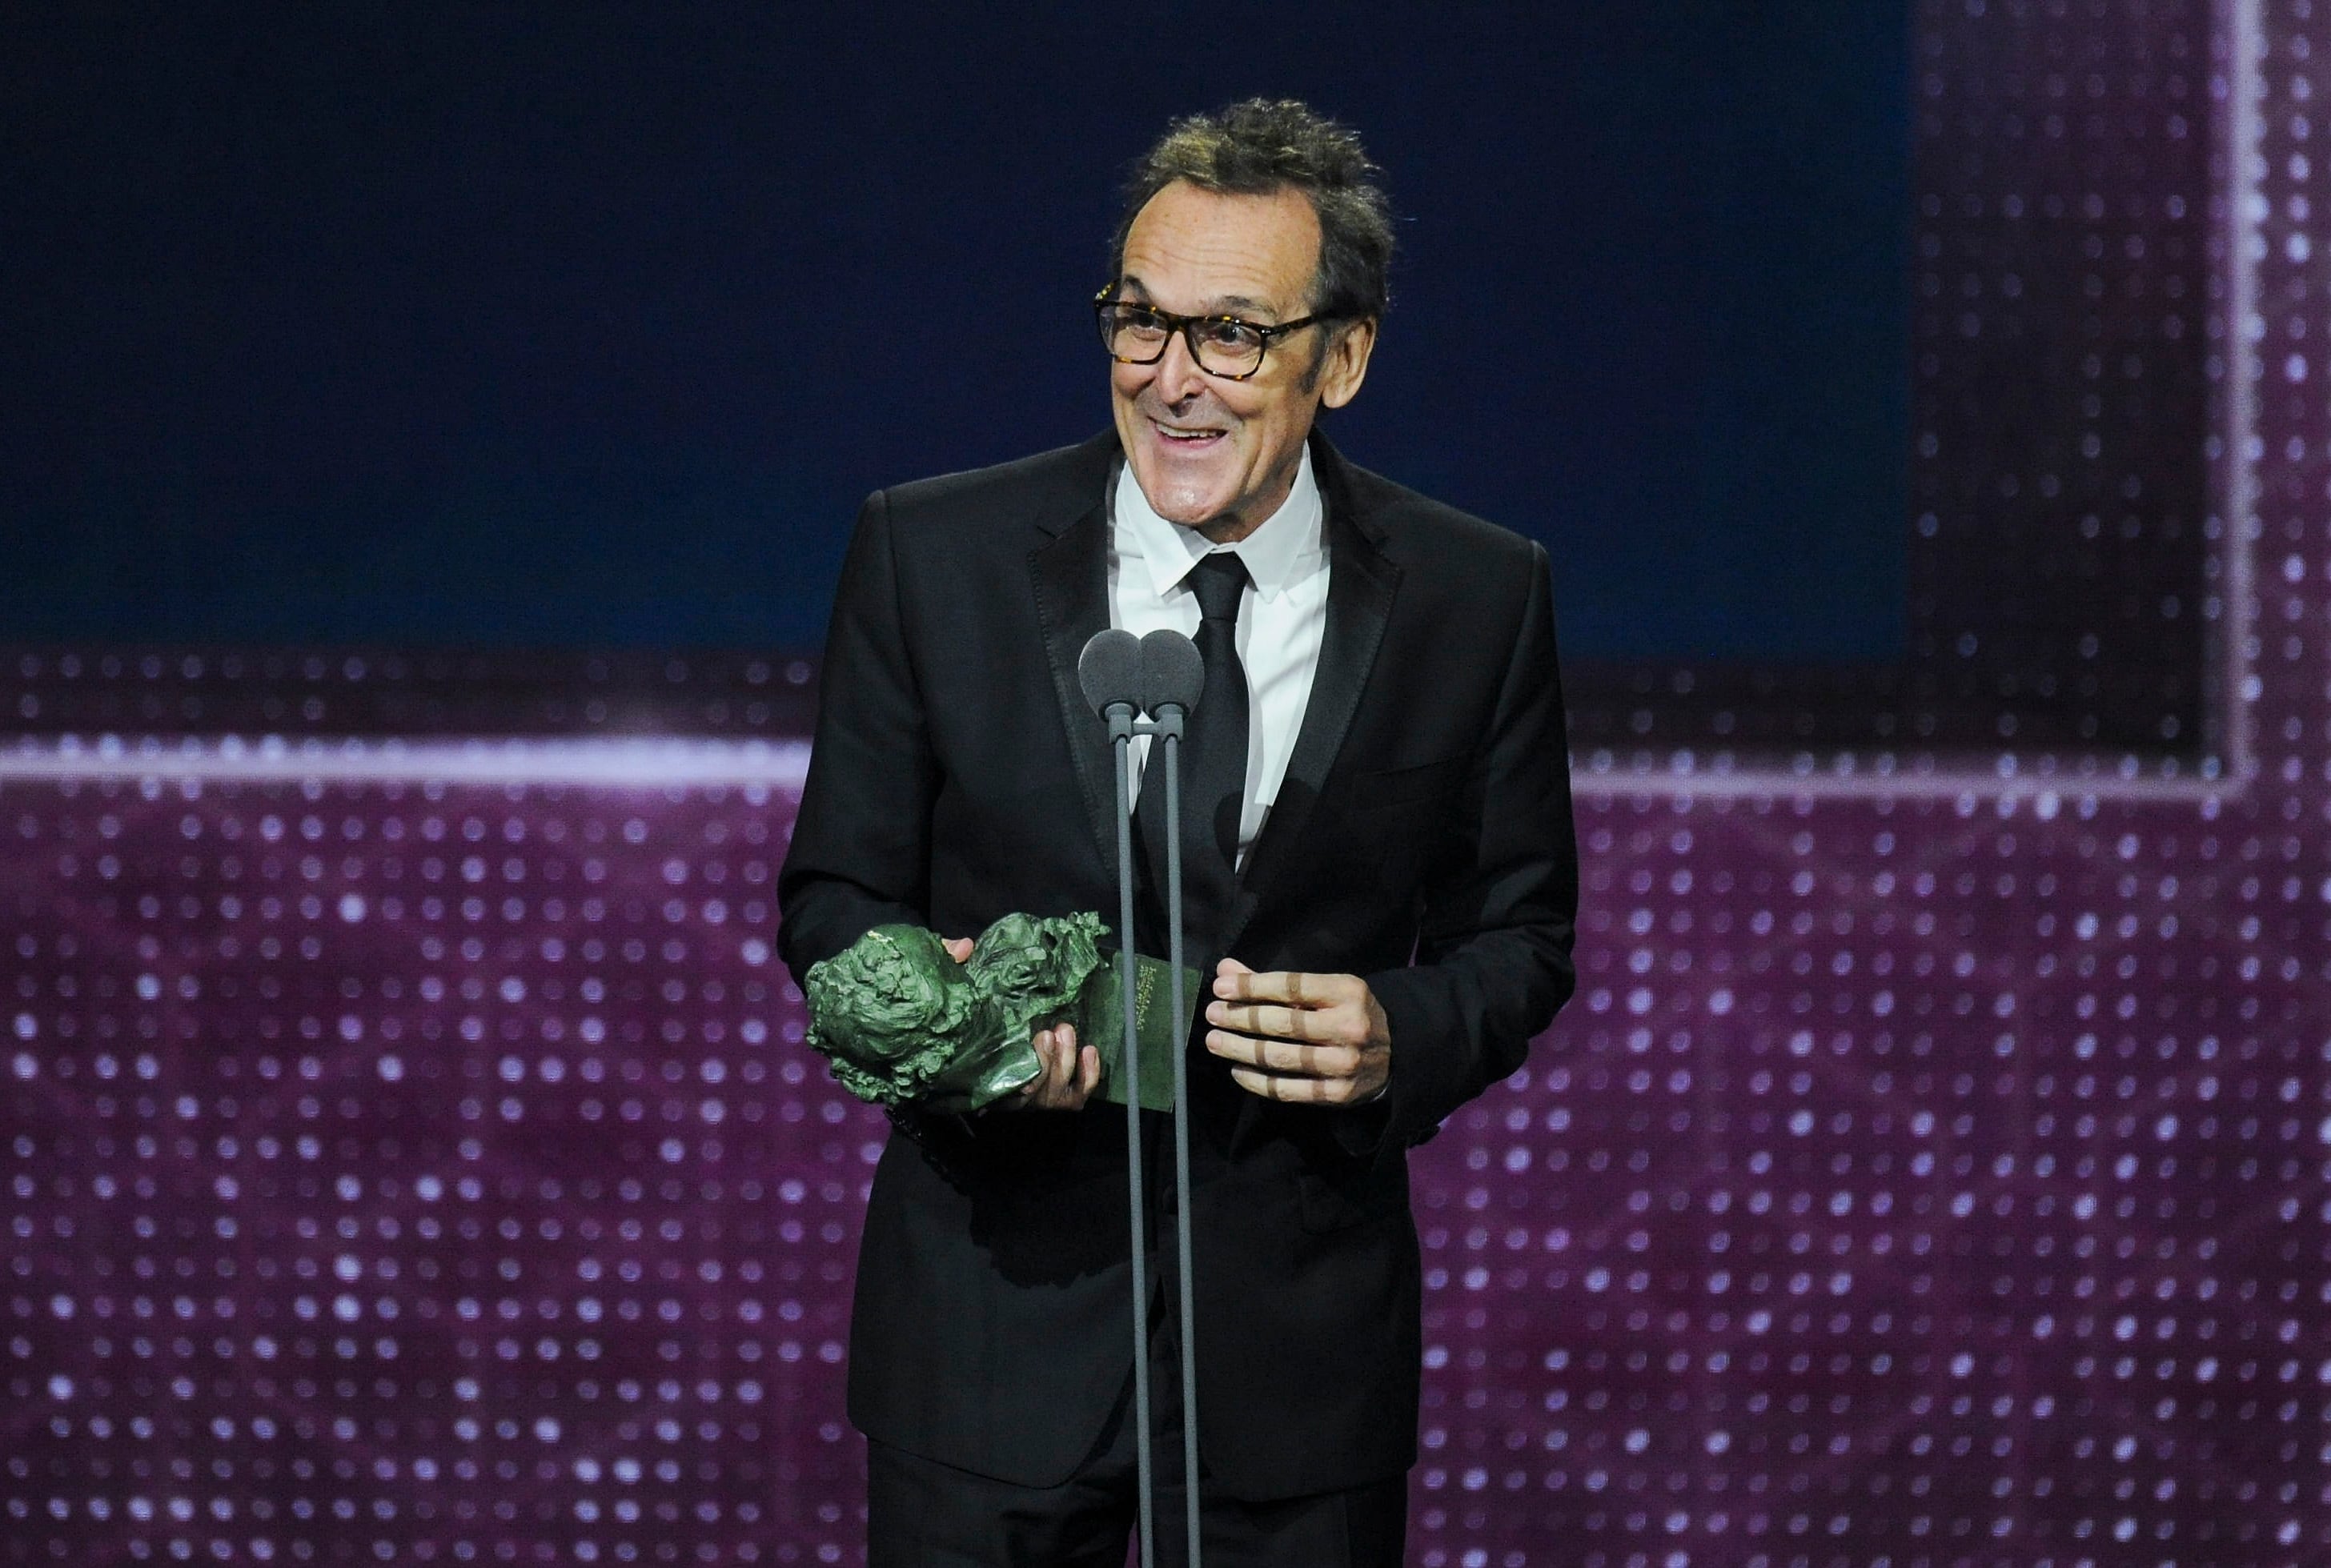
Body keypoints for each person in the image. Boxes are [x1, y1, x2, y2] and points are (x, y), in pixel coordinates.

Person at [777, 98, 1577, 1567]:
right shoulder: (929, 557)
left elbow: (1520, 934)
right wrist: (959, 1035)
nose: (1172, 381)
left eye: (1232, 334)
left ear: (1343, 357)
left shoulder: (1478, 598)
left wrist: (1400, 1031)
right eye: (1138, 324)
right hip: (993, 1345)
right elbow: (835, 894)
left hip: (1299, 1363)